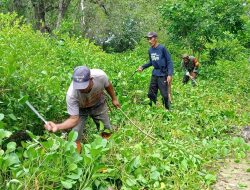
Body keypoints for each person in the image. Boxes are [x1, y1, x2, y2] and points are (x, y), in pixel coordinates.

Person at [44, 66, 120, 152]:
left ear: (91, 79)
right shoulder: (71, 95)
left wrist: (114, 99)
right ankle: (77, 157)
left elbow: (108, 85)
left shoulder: (100, 76)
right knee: (75, 135)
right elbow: (73, 119)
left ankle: (106, 151)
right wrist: (57, 126)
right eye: (78, 86)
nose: (81, 89)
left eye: (83, 86)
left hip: (98, 104)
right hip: (80, 109)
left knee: (106, 129)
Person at [137, 32, 174, 110]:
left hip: (163, 74)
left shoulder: (162, 48)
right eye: (148, 39)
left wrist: (170, 75)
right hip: (155, 74)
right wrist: (142, 67)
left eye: (151, 38)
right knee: (151, 93)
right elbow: (151, 62)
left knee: (164, 95)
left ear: (155, 38)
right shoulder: (150, 50)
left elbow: (169, 61)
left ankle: (168, 111)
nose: (149, 41)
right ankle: (152, 109)